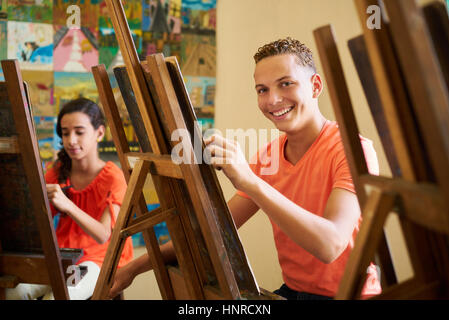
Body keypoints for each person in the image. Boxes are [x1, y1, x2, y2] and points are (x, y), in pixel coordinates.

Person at [108, 37, 381, 300]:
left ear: (315, 86)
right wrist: (133, 268)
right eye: (262, 90)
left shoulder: (352, 150)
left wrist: (250, 181)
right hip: (293, 292)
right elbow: (212, 231)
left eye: (286, 84)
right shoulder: (269, 155)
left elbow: (330, 246)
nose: (273, 100)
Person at [6, 98, 133, 300]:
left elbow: (102, 235)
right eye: (65, 133)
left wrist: (68, 205)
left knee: (61, 296)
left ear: (99, 133)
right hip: (62, 256)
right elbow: (36, 219)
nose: (71, 140)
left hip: (97, 260)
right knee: (14, 292)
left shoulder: (113, 177)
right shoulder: (57, 171)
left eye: (79, 132)